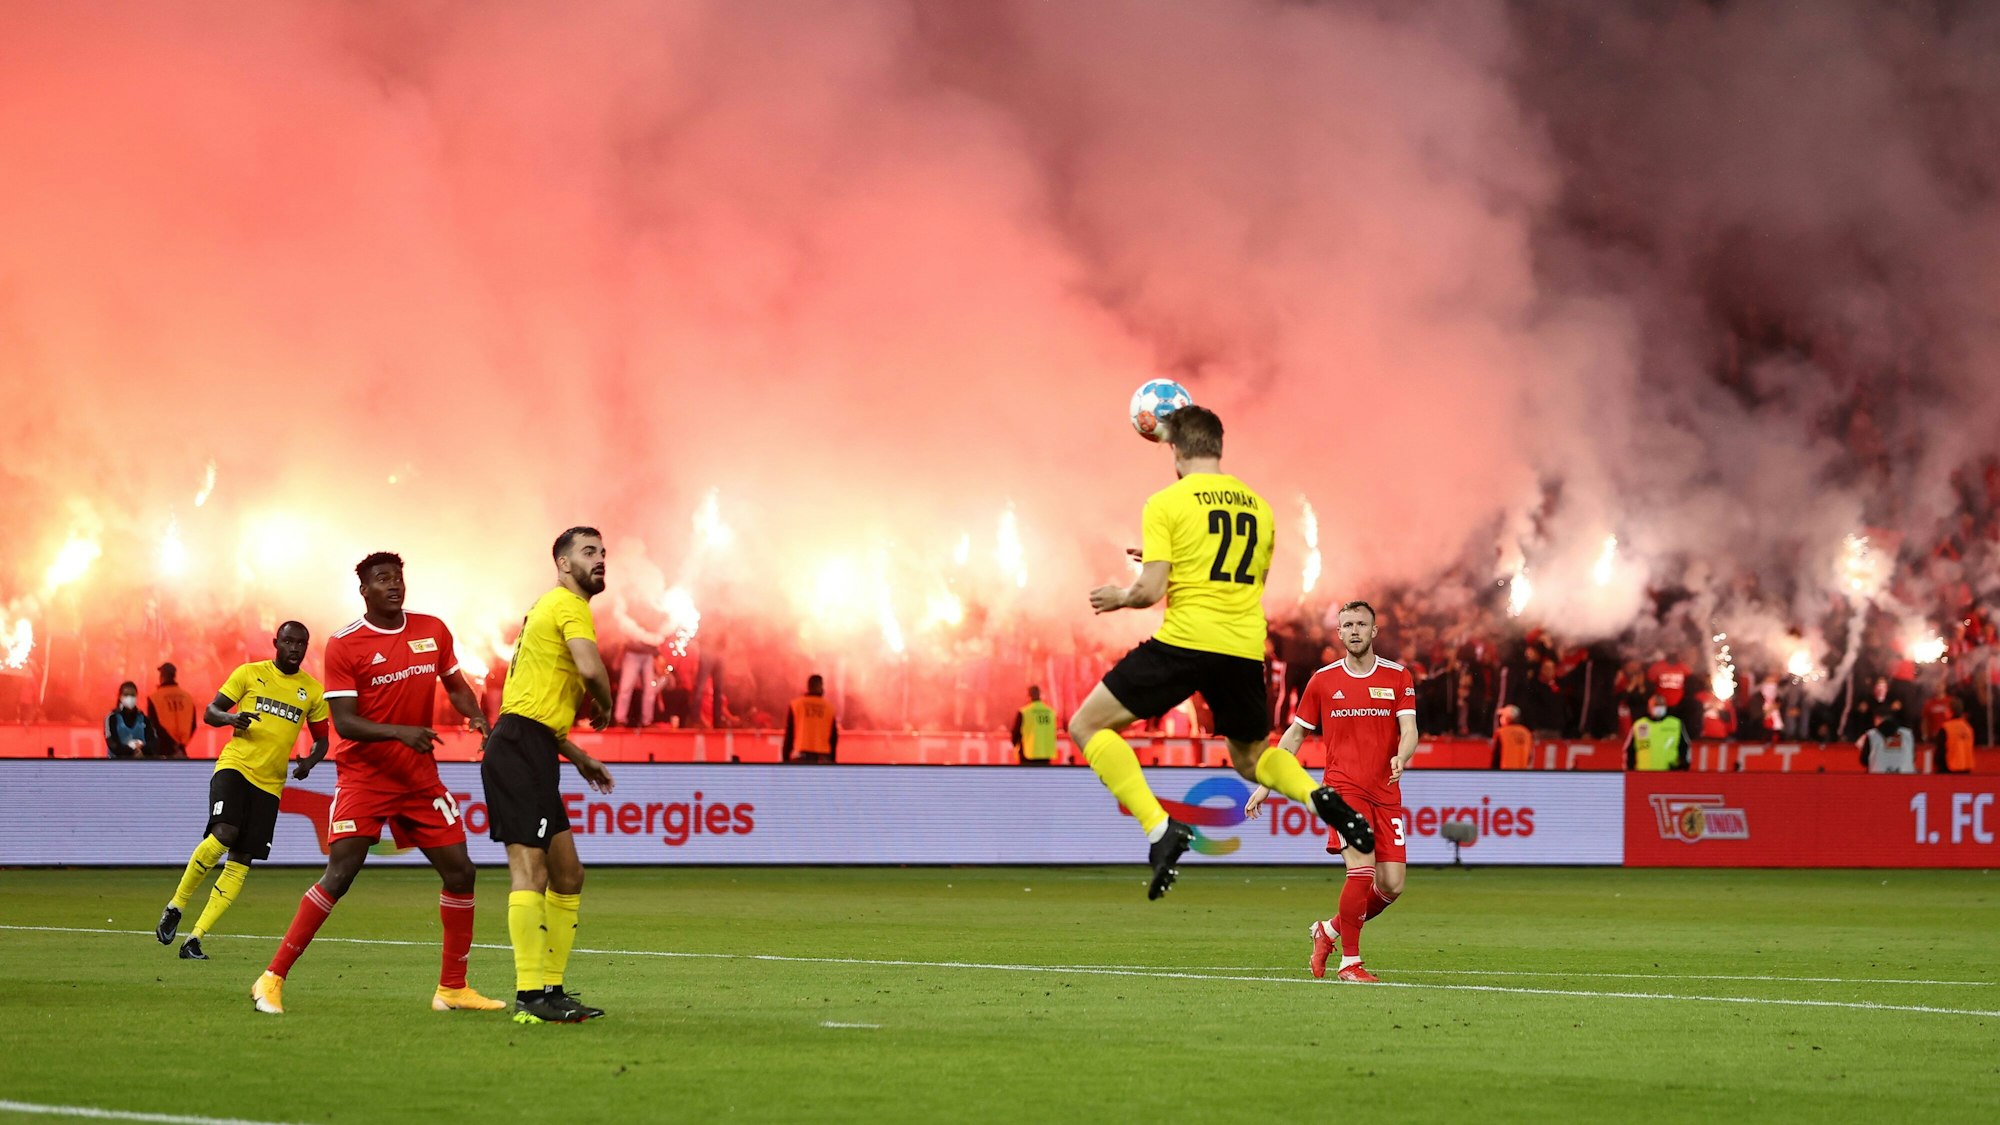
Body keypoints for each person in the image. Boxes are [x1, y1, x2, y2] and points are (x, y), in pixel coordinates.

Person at [1066, 405, 1369, 900]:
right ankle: (1317, 797)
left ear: (1174, 450)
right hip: (1243, 648)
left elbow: (1149, 591)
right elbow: (1245, 581)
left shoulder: (1166, 502)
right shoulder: (1260, 508)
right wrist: (1170, 559)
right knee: (1252, 760)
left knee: (1087, 725)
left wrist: (1120, 596)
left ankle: (1160, 829)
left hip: (1186, 642)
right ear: (1218, 447)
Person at [250, 552, 503, 1016]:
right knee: (341, 874)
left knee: (461, 872)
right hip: (364, 778)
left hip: (418, 778)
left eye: (398, 577)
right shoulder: (345, 644)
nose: (394, 585)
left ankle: (452, 988)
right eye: (383, 579)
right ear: (364, 591)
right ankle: (271, 978)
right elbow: (345, 722)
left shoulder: (432, 630)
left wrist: (476, 716)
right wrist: (401, 732)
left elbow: (455, 683)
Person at [484, 527, 618, 1024]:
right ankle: (530, 997)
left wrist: (577, 755)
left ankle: (553, 990)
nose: (600, 559)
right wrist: (606, 704)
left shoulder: (546, 607)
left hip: (532, 745)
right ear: (563, 563)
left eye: (603, 552)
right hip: (519, 748)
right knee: (530, 872)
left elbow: (531, 703)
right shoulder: (568, 605)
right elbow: (590, 668)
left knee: (567, 874)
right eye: (589, 552)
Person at [1244, 601, 1417, 984]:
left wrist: (1402, 756)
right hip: (1343, 791)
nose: (1354, 630)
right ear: (1339, 633)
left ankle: (1329, 930)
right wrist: (1266, 783)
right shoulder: (1323, 681)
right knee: (1362, 871)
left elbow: (1409, 729)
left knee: (1391, 885)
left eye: (1361, 624)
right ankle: (1350, 963)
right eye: (1347, 625)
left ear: (1374, 631)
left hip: (1386, 793)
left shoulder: (1397, 676)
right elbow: (1294, 736)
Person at [155, 622, 329, 961]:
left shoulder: (312, 691)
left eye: (301, 643)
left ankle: (196, 937)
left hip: (271, 783)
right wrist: (230, 719)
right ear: (276, 642)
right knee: (224, 833)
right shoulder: (249, 673)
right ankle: (176, 905)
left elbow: (322, 740)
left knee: (242, 859)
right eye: (289, 641)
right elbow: (211, 712)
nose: (295, 648)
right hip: (235, 767)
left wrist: (309, 762)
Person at [1624, 695, 1691, 771]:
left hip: (1669, 773)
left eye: (1661, 705)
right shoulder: (1639, 725)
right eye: (1656, 705)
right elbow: (1629, 750)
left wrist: (1683, 766)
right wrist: (1629, 771)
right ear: (1649, 708)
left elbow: (1685, 747)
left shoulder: (1676, 724)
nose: (1659, 708)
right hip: (1643, 773)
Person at [147, 662, 199, 759]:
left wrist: (172, 746)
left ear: (162, 677)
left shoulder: (154, 698)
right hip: (181, 750)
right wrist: (180, 747)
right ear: (174, 676)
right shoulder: (187, 697)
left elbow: (153, 726)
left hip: (163, 751)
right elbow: (193, 724)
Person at [784, 675, 838, 764]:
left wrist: (785, 760)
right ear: (822, 688)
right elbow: (833, 738)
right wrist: (832, 761)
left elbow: (789, 735)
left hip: (801, 756)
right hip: (823, 758)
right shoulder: (829, 708)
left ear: (808, 687)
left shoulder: (796, 705)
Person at [1011, 686, 1058, 765]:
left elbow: (1015, 733)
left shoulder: (1024, 712)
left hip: (1028, 754)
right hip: (1046, 754)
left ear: (1028, 696)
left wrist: (1015, 744)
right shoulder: (1051, 712)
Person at [1859, 710, 1916, 774]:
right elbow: (1913, 758)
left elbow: (1864, 760)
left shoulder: (1872, 735)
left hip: (1878, 777)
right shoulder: (1907, 734)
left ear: (1878, 718)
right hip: (1906, 776)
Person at [104, 682, 150, 758]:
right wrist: (131, 752)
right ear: (120, 697)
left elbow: (153, 742)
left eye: (132, 695)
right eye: (126, 695)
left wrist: (143, 751)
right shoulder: (112, 718)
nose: (130, 698)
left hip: (140, 761)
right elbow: (112, 742)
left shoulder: (144, 719)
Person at [1937, 697, 1975, 774]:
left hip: (1950, 769)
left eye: (1946, 709)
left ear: (1951, 711)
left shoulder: (1946, 728)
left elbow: (1940, 752)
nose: (1944, 712)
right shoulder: (1968, 727)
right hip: (1966, 769)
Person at [1492, 704, 1532, 770]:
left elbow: (1496, 756)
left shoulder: (1501, 732)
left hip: (1506, 771)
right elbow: (1530, 756)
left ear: (1508, 718)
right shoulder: (1526, 732)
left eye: (1503, 716)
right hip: (1522, 772)